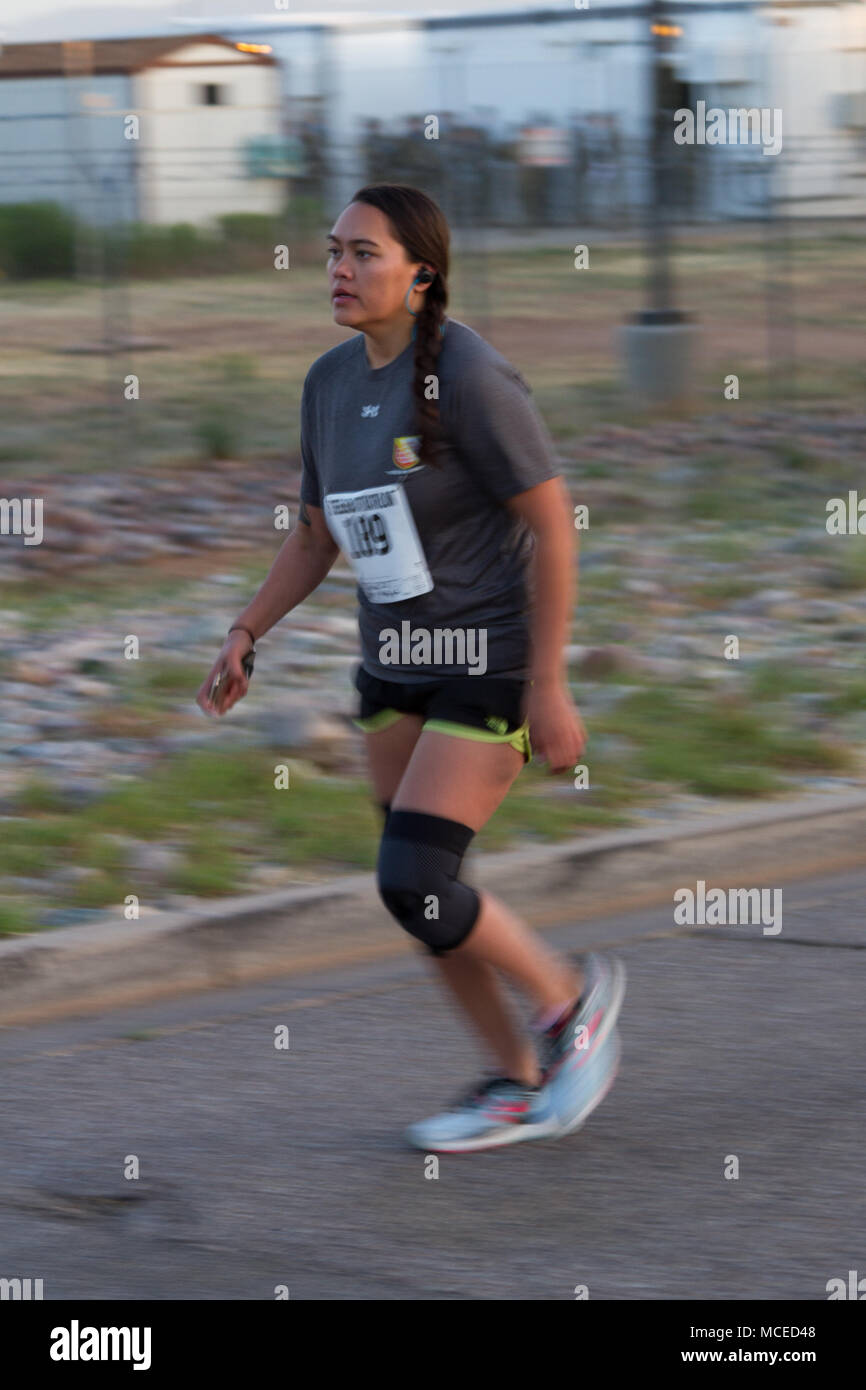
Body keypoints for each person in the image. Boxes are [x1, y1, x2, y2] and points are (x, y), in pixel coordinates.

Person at [196, 183, 625, 1154]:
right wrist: (244, 631)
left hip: (485, 658)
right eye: (332, 253)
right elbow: (314, 536)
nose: (338, 271)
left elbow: (551, 527)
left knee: (412, 879)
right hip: (390, 665)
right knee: (426, 895)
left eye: (362, 254)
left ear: (420, 275)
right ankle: (514, 1083)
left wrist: (546, 682)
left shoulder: (470, 374)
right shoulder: (325, 383)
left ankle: (568, 1006)